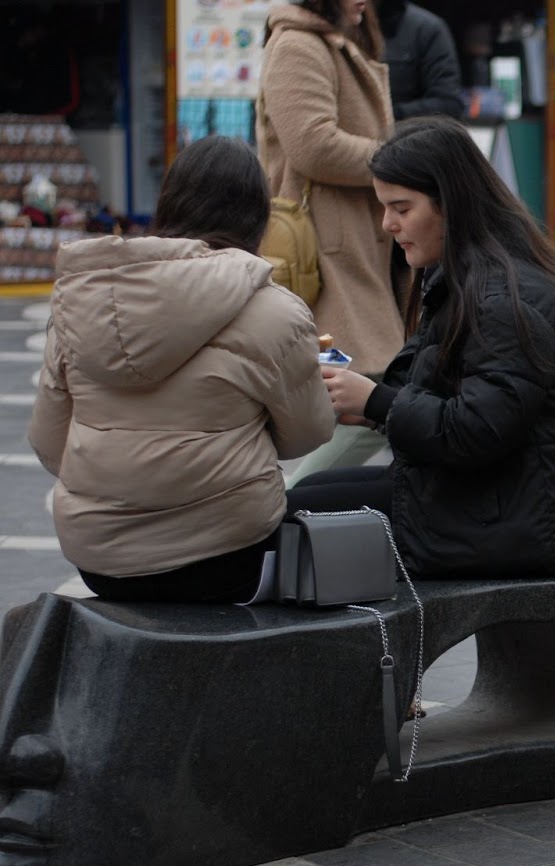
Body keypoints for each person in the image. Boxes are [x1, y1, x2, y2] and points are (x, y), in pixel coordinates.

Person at [287, 117, 555, 579]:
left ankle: (346, 650)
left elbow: (477, 430)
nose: (387, 224)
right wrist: (356, 395)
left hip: (516, 517)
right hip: (492, 499)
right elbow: (427, 387)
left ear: (451, 205)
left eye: (401, 207)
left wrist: (376, 401)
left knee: (295, 517)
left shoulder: (506, 299)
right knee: (310, 493)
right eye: (384, 207)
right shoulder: (464, 274)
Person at [28, 136, 334, 602]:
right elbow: (307, 435)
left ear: (168, 204)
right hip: (229, 556)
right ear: (258, 217)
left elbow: (50, 444)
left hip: (97, 560)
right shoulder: (276, 312)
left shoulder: (79, 303)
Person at [258, 0, 405, 484]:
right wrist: (399, 158)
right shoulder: (297, 44)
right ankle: (287, 509)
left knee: (369, 400)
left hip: (356, 248)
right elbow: (313, 145)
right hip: (325, 255)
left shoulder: (334, 42)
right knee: (372, 402)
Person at [378, 0, 464, 120]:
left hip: (403, 133)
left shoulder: (427, 28)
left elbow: (449, 104)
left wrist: (391, 114)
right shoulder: (349, 27)